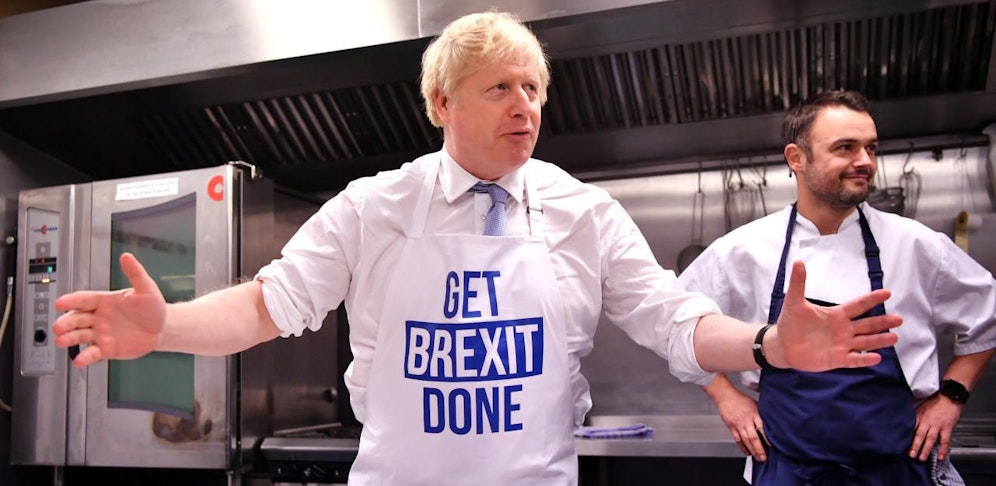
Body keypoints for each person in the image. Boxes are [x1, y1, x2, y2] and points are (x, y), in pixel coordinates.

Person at [53, 13, 901, 486]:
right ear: (440, 103)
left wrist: (766, 345)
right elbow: (267, 305)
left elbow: (674, 320)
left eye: (533, 87)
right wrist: (163, 329)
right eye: (499, 87)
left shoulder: (583, 211)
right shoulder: (374, 207)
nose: (523, 104)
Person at [679, 89, 996, 485]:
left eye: (871, 148)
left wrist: (951, 397)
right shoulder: (742, 250)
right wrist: (726, 397)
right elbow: (676, 327)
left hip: (896, 471)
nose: (864, 161)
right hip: (788, 471)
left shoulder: (916, 245)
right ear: (796, 158)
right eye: (845, 147)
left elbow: (988, 318)